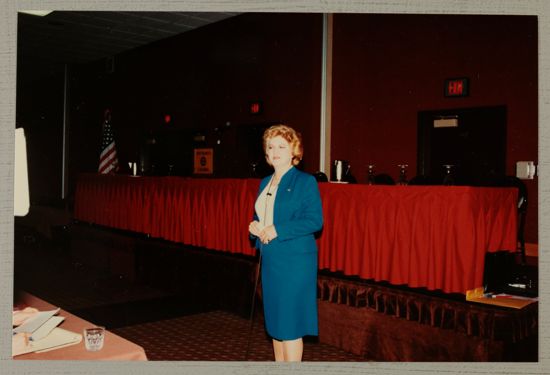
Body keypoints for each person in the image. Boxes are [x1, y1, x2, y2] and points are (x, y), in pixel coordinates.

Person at [248, 124, 323, 362]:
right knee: (277, 327)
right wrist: (255, 228)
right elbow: (264, 218)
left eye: (282, 145)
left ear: (294, 151)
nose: (275, 150)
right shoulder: (265, 183)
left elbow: (314, 221)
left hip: (294, 262)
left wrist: (277, 230)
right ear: (267, 154)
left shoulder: (305, 181)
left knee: (290, 327)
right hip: (272, 260)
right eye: (271, 146)